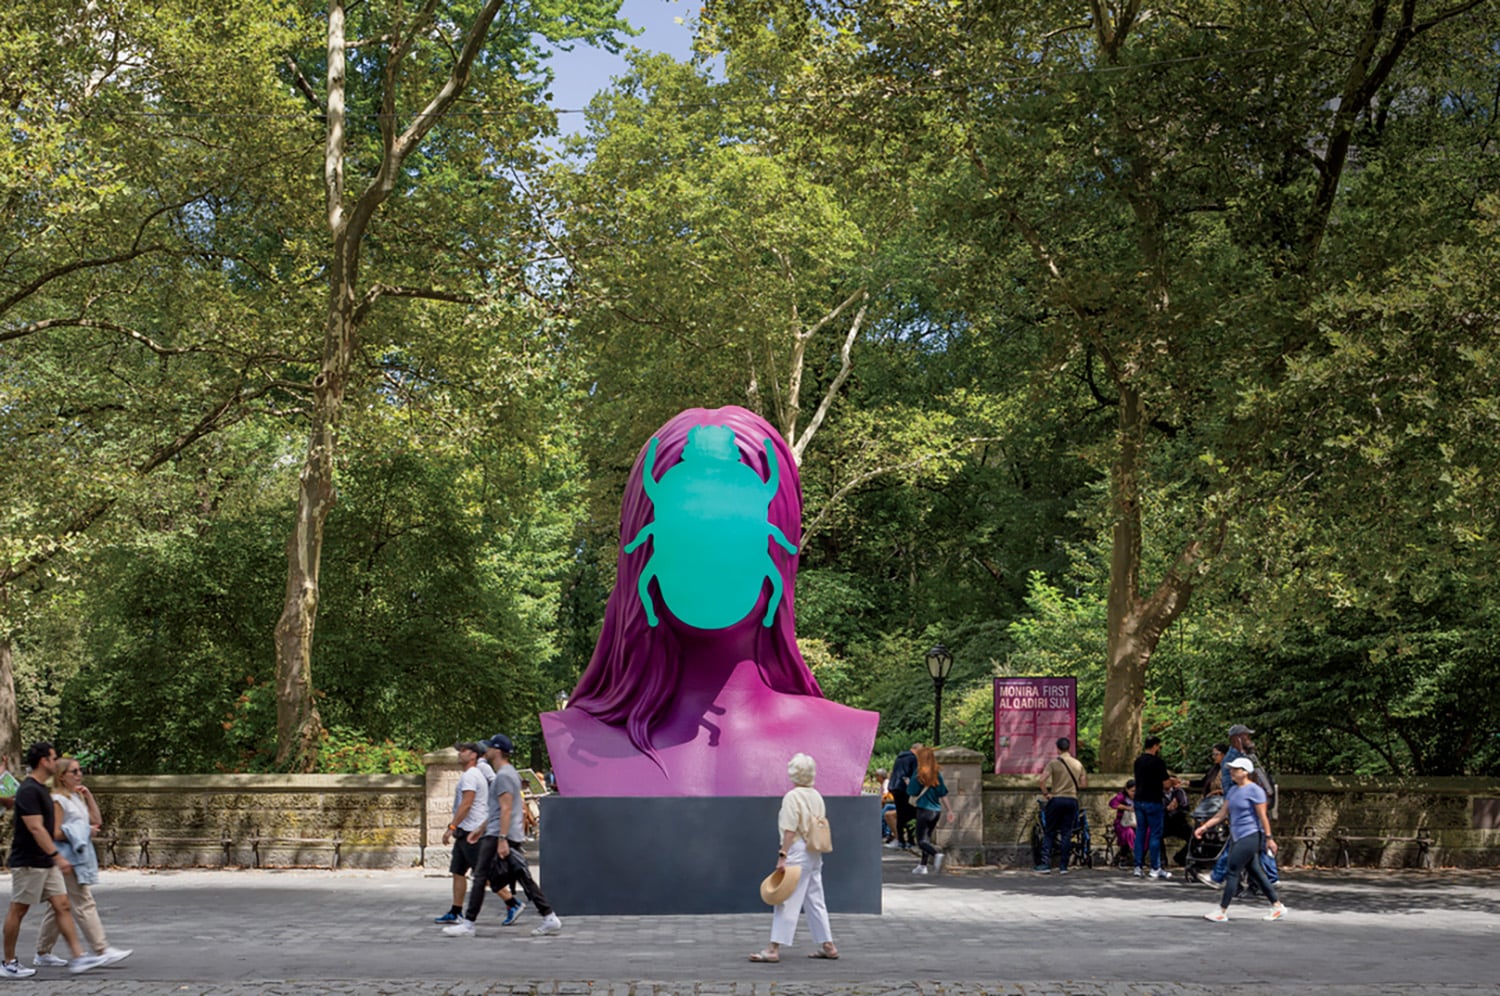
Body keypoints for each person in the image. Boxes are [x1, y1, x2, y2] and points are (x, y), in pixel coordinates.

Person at [541, 407, 878, 797]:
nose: (710, 547)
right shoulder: (571, 736)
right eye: (693, 520)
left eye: (728, 522)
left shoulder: (843, 736)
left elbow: (654, 485)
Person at [2, 743, 105, 978]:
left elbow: (12, 803)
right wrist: (57, 856)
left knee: (63, 905)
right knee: (18, 910)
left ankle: (79, 957)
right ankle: (8, 962)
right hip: (29, 860)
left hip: (45, 861)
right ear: (43, 761)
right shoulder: (30, 789)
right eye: (53, 757)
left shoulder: (37, 789)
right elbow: (36, 828)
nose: (56, 761)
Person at [33, 757, 131, 968]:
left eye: (80, 770)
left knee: (59, 906)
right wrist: (83, 831)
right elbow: (55, 832)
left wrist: (89, 796)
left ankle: (42, 951)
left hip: (78, 856)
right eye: (74, 771)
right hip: (68, 857)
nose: (79, 774)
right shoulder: (58, 800)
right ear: (62, 776)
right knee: (84, 902)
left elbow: (96, 821)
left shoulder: (75, 797)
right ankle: (101, 948)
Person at [749, 753, 837, 963]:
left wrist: (783, 855)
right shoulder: (816, 795)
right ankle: (828, 945)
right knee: (815, 898)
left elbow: (789, 830)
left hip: (797, 849)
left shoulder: (792, 797)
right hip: (814, 850)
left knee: (786, 897)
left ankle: (773, 948)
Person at [485, 734, 562, 936]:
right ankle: (535, 911)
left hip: (507, 837)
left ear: (498, 750)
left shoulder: (504, 775)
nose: (487, 750)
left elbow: (506, 809)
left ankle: (546, 914)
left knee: (522, 877)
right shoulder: (507, 774)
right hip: (508, 835)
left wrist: (502, 838)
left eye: (490, 747)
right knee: (509, 876)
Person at [1193, 757, 1287, 922]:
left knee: (1232, 870)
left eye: (1235, 769)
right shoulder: (1233, 791)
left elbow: (1263, 816)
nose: (1231, 772)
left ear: (1245, 772)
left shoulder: (1255, 791)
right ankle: (1277, 906)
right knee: (1256, 872)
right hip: (1237, 836)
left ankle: (1222, 910)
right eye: (1231, 769)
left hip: (1250, 835)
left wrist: (1269, 838)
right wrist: (1204, 827)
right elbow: (1222, 814)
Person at [433, 742, 489, 925]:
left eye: (464, 751)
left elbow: (467, 803)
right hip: (466, 831)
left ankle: (512, 902)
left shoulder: (471, 776)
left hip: (471, 832)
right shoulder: (470, 775)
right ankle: (456, 911)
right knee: (458, 871)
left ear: (473, 755)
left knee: (484, 875)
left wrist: (451, 827)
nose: (460, 754)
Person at [1035, 737, 1088, 874]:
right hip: (1072, 800)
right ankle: (1063, 866)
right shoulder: (1078, 764)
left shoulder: (1053, 763)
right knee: (1067, 833)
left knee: (1050, 832)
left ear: (1057, 748)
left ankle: (1045, 864)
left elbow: (1041, 781)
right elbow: (1083, 784)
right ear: (1069, 748)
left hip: (1056, 799)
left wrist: (1047, 794)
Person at [1131, 736, 1177, 879]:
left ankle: (1138, 866)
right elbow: (1166, 784)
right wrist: (1174, 781)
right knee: (1155, 834)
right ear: (1155, 746)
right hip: (1153, 801)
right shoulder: (1158, 762)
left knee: (1140, 832)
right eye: (1159, 747)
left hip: (1139, 800)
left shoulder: (1138, 762)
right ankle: (1155, 867)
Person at [907, 745, 954, 875]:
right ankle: (922, 866)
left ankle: (936, 854)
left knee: (921, 840)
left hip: (923, 810)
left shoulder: (918, 774)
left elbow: (912, 791)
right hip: (936, 811)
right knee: (926, 838)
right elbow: (943, 793)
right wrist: (949, 810)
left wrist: (907, 783)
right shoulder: (936, 774)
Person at [888, 743, 919, 850]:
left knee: (900, 814)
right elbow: (914, 775)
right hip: (904, 788)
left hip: (894, 787)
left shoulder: (900, 757)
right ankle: (910, 840)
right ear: (916, 750)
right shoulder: (913, 758)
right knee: (910, 814)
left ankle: (901, 840)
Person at [1109, 780, 1137, 860]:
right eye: (1132, 791)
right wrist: (1127, 808)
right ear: (1127, 790)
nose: (1134, 793)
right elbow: (1112, 803)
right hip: (1123, 822)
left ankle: (1141, 855)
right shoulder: (1122, 797)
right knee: (1129, 832)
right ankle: (1124, 854)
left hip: (1137, 822)